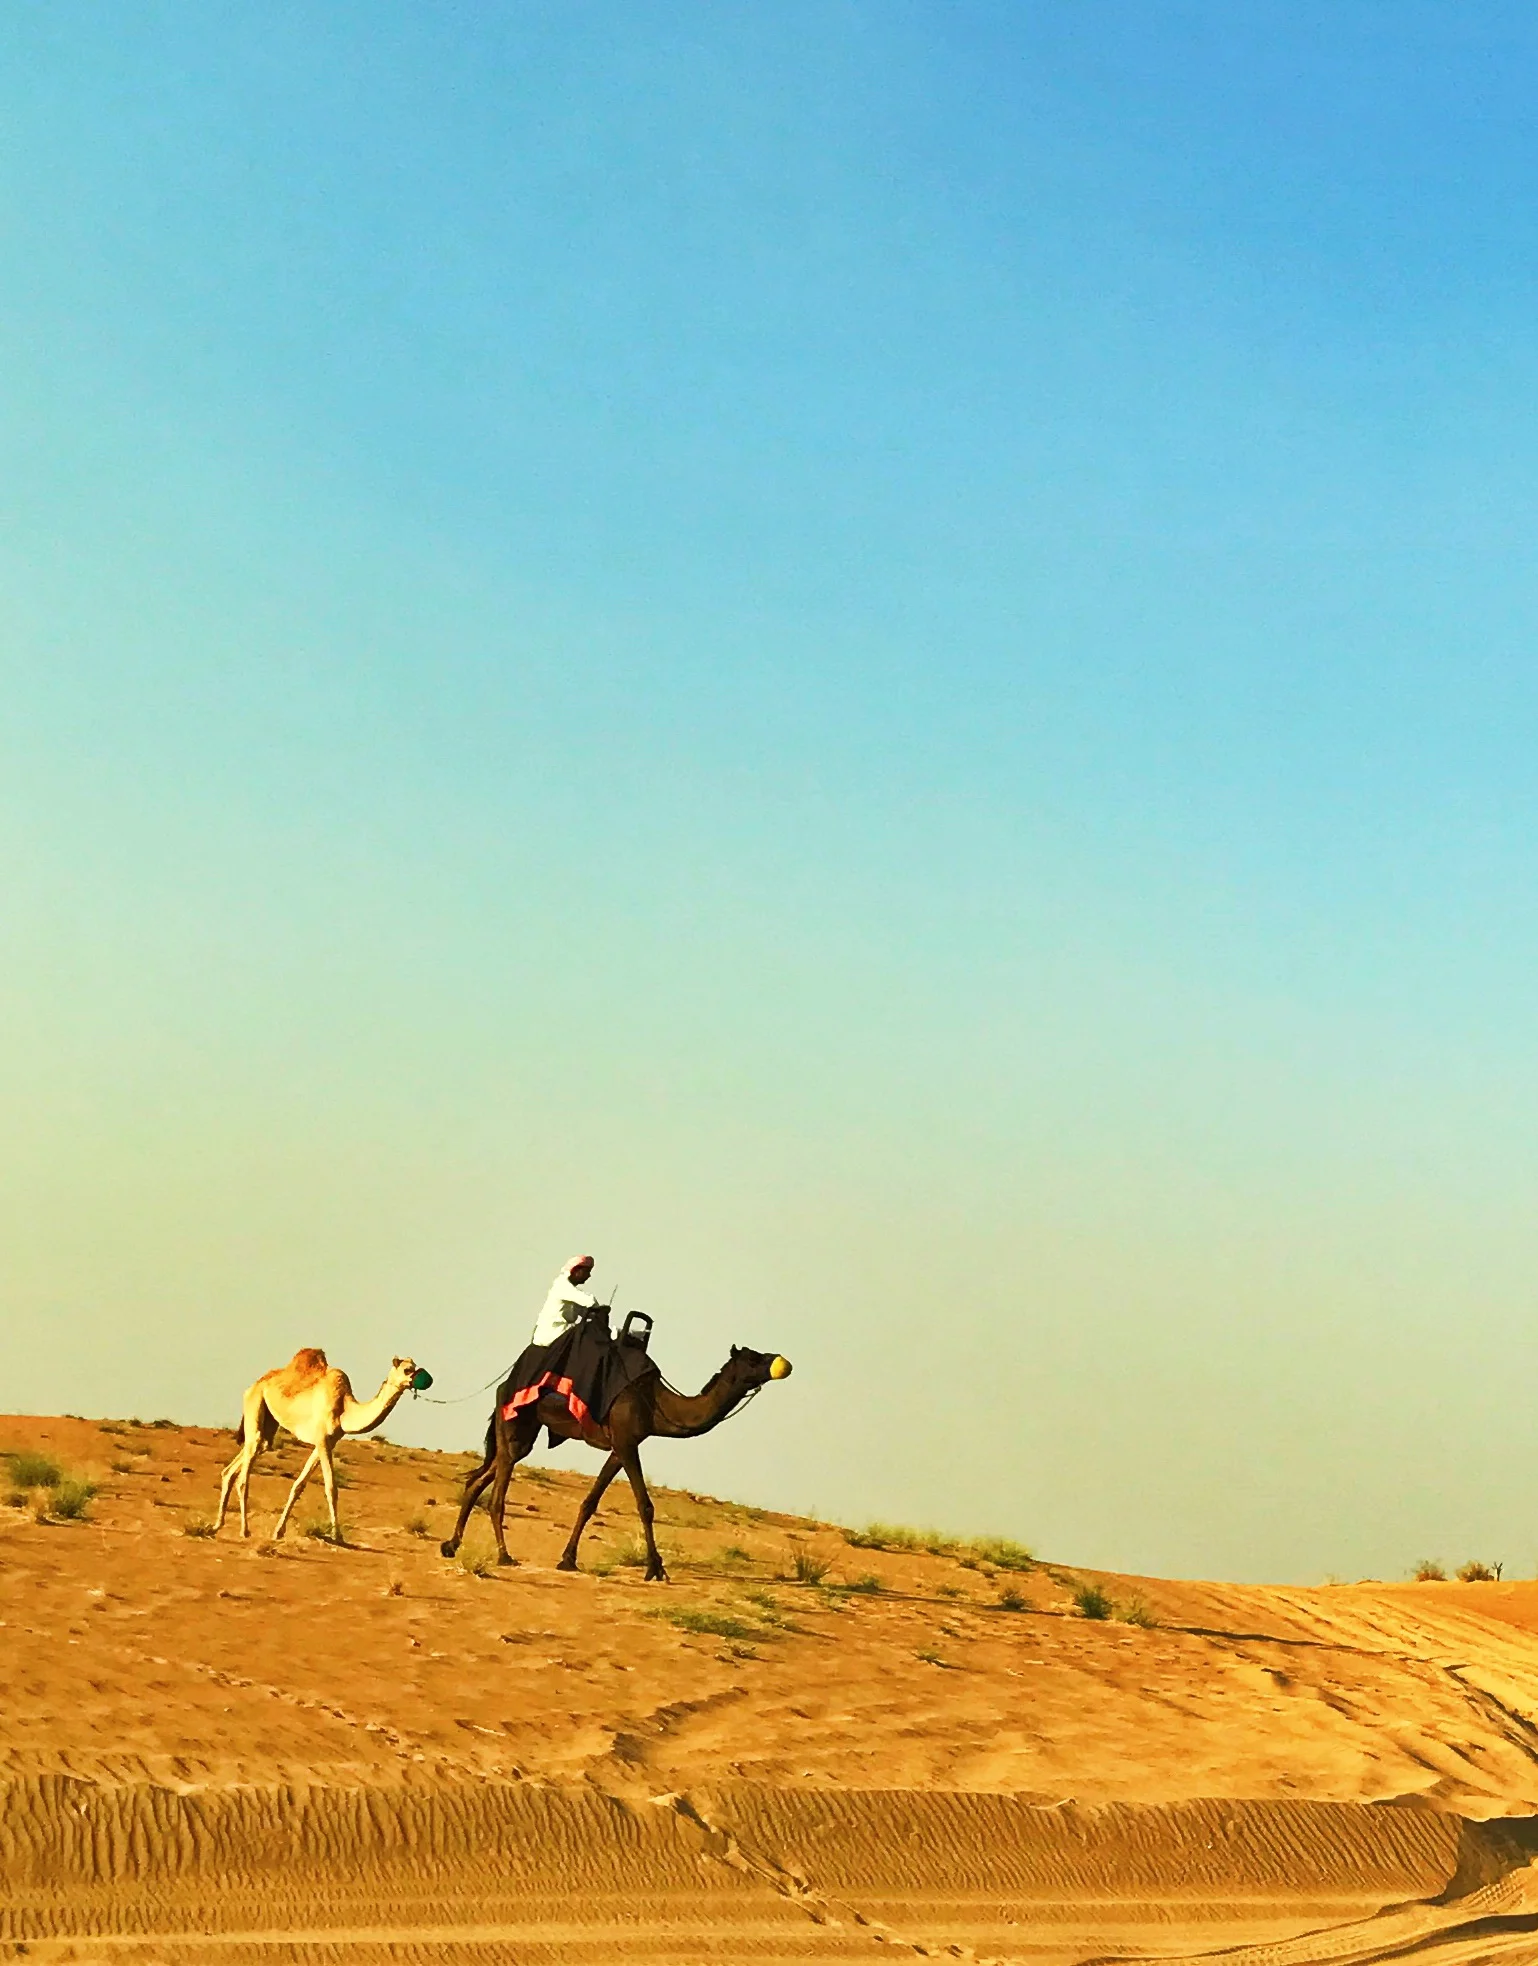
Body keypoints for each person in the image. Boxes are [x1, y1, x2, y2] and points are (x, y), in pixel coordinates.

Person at [530, 1255, 600, 1347]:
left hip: (563, 1332)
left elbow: (583, 1311)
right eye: (586, 1272)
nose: (589, 1275)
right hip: (552, 1334)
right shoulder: (562, 1286)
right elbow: (590, 1301)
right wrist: (600, 1309)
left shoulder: (570, 1293)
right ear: (576, 1271)